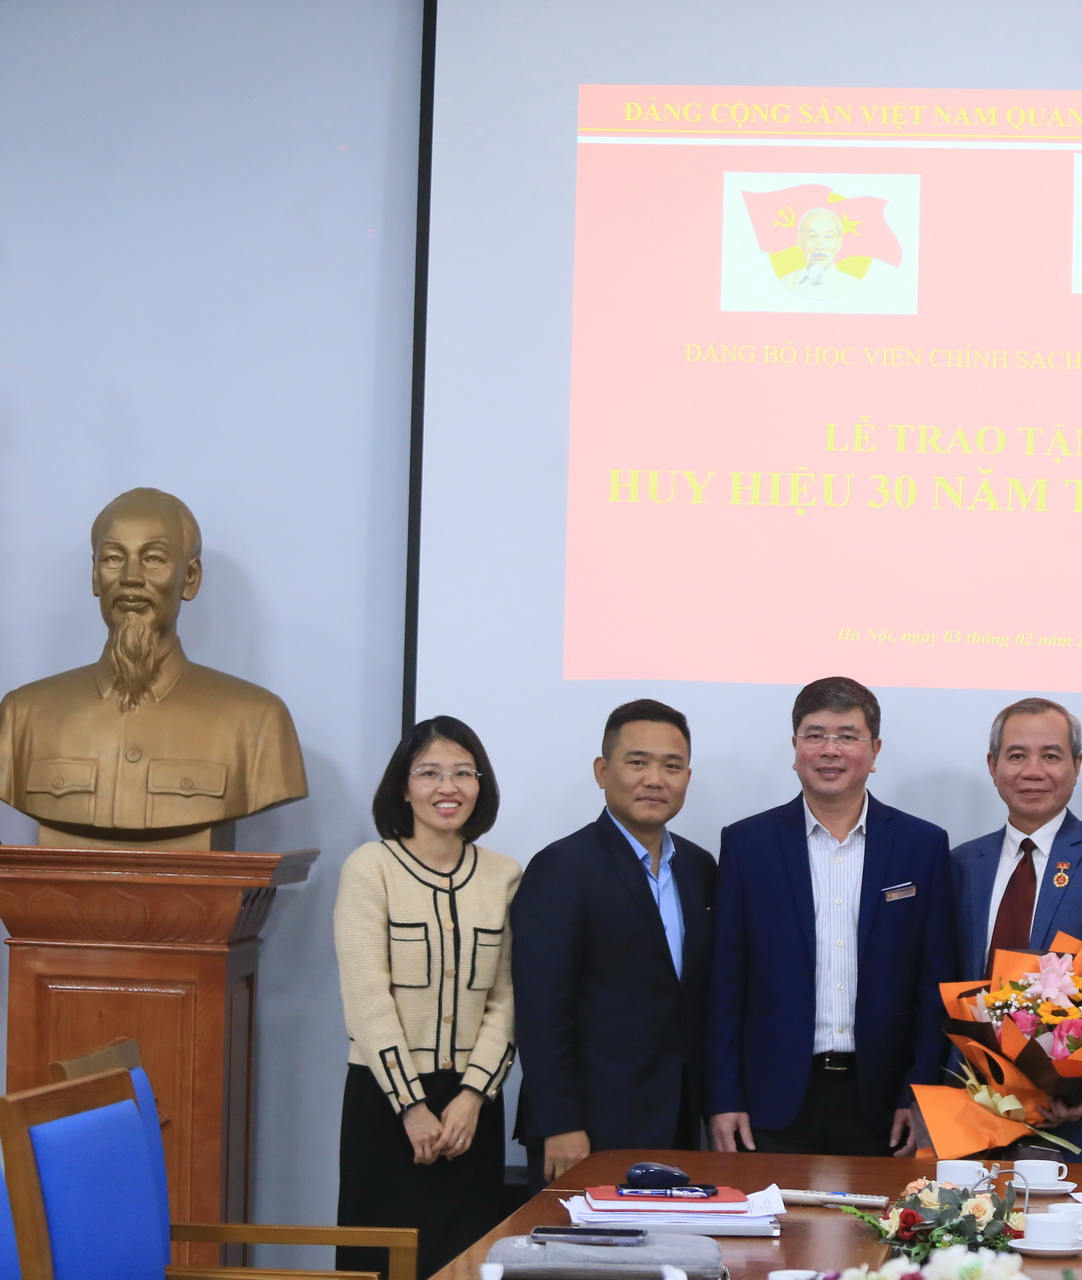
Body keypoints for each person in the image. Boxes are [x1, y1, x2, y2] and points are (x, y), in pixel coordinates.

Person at [708, 677, 954, 1156]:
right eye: (815, 735)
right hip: (770, 1100)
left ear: (874, 750)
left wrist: (921, 1092)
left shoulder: (921, 845)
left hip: (885, 1103)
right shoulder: (747, 844)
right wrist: (724, 1096)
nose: (830, 750)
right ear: (795, 746)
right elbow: (725, 982)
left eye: (847, 736)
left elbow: (934, 983)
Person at [0, 486, 305, 844]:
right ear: (95, 575)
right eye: (114, 558)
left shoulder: (257, 721)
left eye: (154, 558)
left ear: (190, 578)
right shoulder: (23, 716)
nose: (131, 577)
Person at [333, 716, 518, 1278]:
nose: (448, 787)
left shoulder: (504, 875)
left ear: (480, 785)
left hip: (471, 1110)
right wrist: (411, 1106)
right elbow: (367, 997)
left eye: (463, 773)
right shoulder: (371, 868)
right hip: (385, 1103)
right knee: (379, 1265)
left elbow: (508, 999)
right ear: (403, 786)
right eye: (430, 773)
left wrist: (472, 1097)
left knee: (466, 1263)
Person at [511, 699, 717, 1183]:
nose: (655, 779)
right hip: (589, 1127)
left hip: (680, 1120)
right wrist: (560, 1123)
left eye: (672, 766)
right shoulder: (562, 868)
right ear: (603, 771)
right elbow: (542, 1010)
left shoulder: (699, 868)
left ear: (687, 777)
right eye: (637, 762)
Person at [950, 696, 1082, 1162]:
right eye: (1017, 755)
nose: (1033, 771)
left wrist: (1080, 1091)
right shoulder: (962, 863)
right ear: (993, 765)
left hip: (1080, 1122)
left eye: (1051, 755)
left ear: (1076, 766)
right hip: (972, 1114)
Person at [780, 208, 861, 300]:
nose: (820, 246)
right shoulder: (787, 283)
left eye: (828, 236)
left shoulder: (851, 286)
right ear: (800, 241)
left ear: (839, 242)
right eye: (812, 236)